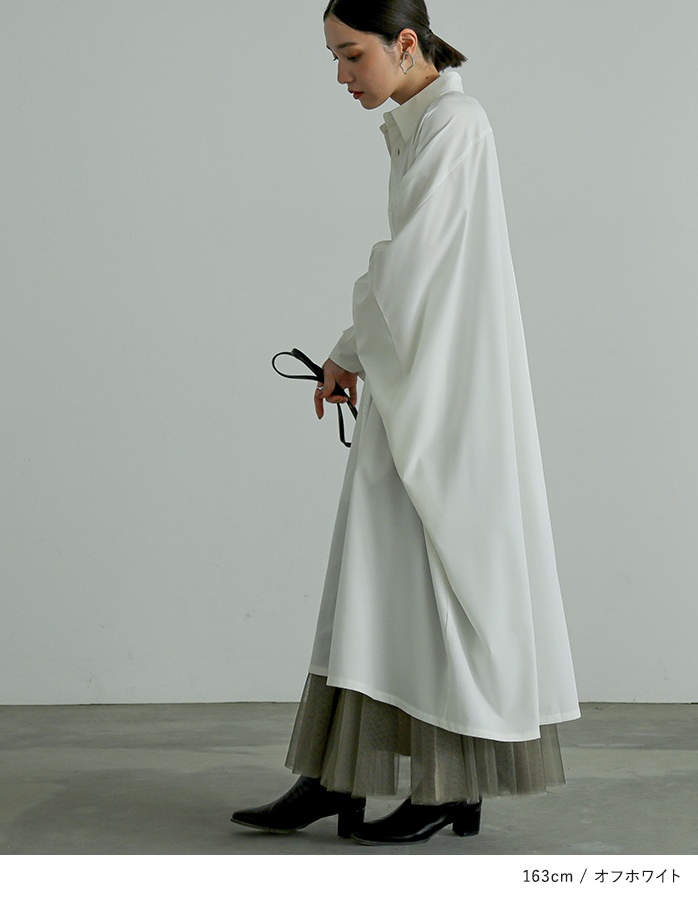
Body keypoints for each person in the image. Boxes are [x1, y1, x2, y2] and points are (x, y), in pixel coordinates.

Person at [231, 0, 580, 846]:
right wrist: (357, 350)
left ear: (407, 42)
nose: (341, 75)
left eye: (353, 55)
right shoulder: (423, 124)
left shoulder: (455, 125)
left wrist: (348, 348)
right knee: (375, 572)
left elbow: (415, 263)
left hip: (446, 387)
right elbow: (416, 268)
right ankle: (338, 779)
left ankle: (443, 786)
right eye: (334, 56)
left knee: (430, 579)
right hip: (420, 376)